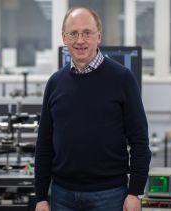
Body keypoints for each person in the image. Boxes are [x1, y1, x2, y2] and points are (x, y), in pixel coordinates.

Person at [34, 6, 151, 211]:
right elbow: (44, 144)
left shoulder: (122, 79)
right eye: (73, 34)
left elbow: (140, 140)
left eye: (87, 33)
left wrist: (134, 192)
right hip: (62, 194)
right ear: (64, 38)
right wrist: (41, 196)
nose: (80, 40)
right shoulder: (55, 83)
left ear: (99, 36)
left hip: (109, 195)